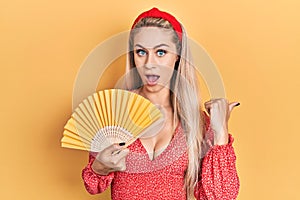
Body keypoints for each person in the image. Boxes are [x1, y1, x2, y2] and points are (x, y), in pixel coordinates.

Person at [82, 7, 240, 200]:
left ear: (177, 56)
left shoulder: (196, 123)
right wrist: (100, 166)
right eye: (141, 52)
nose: (150, 63)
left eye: (161, 52)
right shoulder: (115, 113)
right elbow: (93, 185)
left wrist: (221, 131)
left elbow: (221, 196)